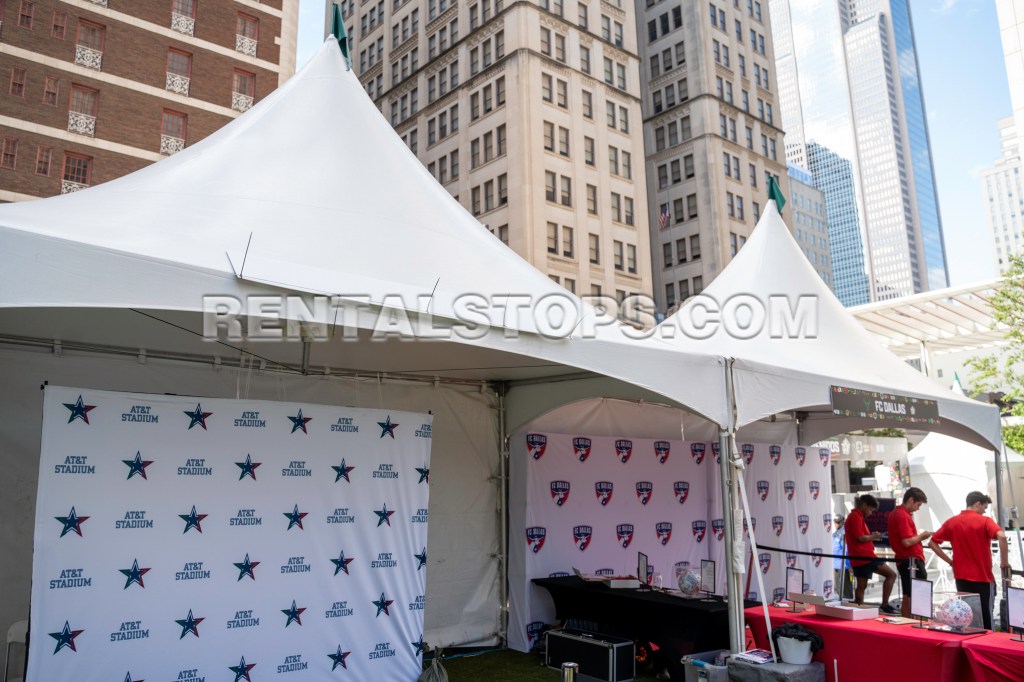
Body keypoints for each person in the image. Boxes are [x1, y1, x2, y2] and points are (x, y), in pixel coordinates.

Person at [927, 491, 1010, 630]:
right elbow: (1002, 536)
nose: (984, 511)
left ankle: (969, 640)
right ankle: (987, 641)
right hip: (982, 577)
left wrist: (950, 561)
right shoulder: (985, 521)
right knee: (986, 615)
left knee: (966, 614)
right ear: (977, 504)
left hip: (961, 577)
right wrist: (1004, 562)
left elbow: (932, 542)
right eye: (984, 507)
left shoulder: (952, 522)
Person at [844, 494, 897, 613]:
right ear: (864, 505)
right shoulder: (855, 517)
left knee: (861, 586)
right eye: (870, 510)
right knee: (891, 575)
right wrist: (874, 536)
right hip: (864, 556)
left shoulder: (855, 517)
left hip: (860, 557)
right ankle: (884, 604)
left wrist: (872, 536)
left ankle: (858, 608)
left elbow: (860, 537)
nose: (871, 513)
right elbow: (860, 538)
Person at [887, 487, 933, 617]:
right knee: (916, 594)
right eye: (918, 504)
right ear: (911, 500)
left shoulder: (896, 513)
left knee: (908, 593)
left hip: (905, 559)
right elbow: (907, 541)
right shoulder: (902, 515)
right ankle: (915, 620)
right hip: (911, 560)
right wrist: (922, 536)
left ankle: (908, 620)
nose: (918, 508)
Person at [832, 514, 854, 600]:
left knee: (846, 589)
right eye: (835, 522)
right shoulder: (836, 533)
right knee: (839, 589)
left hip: (844, 566)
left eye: (837, 522)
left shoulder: (845, 533)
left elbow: (847, 550)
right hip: (836, 564)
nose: (836, 524)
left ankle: (848, 604)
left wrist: (850, 565)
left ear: (842, 522)